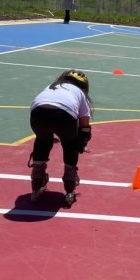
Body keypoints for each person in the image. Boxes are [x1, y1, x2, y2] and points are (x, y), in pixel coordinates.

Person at [29, 70, 93, 207]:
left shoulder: (51, 86)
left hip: (37, 114)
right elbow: (85, 126)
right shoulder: (80, 93)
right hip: (64, 115)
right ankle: (70, 184)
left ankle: (37, 180)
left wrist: (48, 132)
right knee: (70, 145)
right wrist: (81, 143)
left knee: (42, 141)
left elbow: (41, 104)